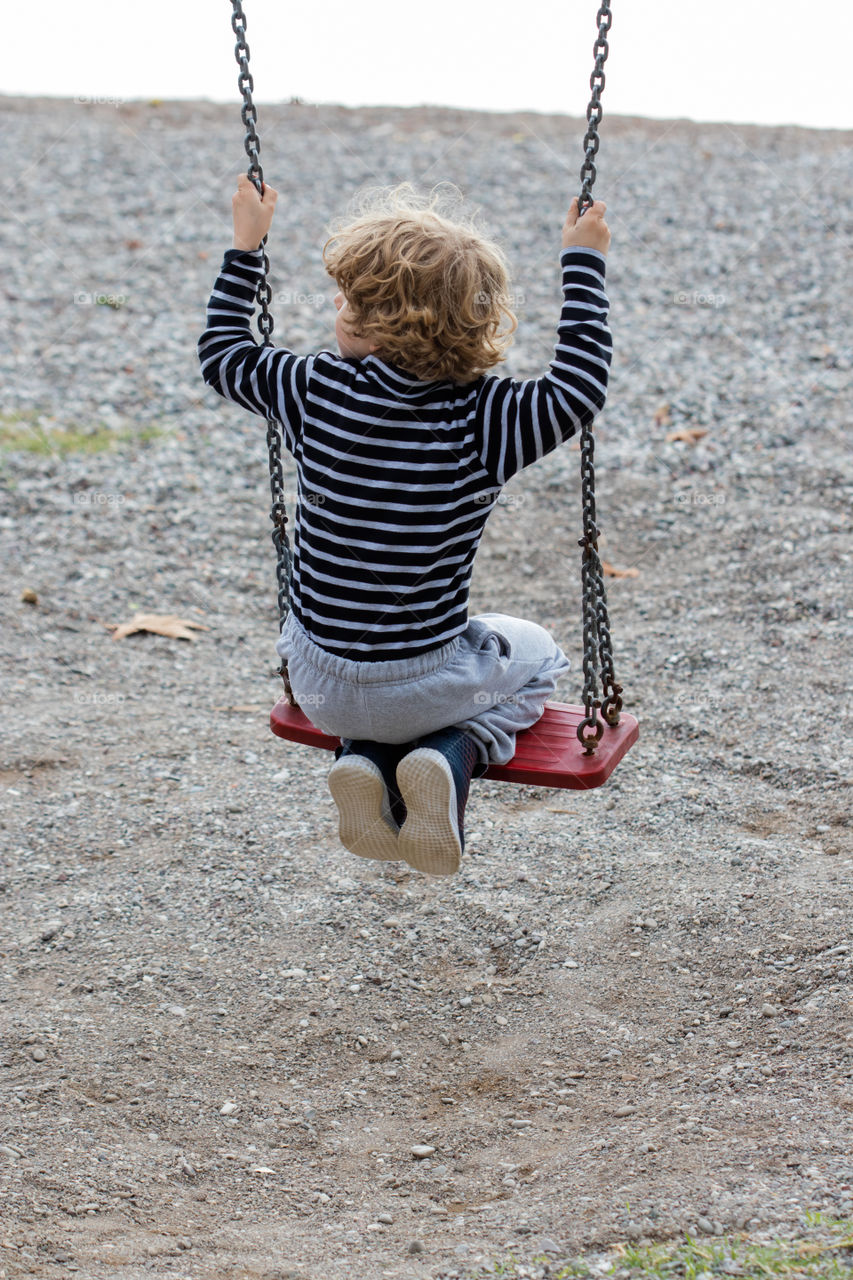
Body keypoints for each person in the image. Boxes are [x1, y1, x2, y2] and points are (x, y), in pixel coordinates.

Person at [198, 175, 612, 877]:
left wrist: (247, 244)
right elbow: (578, 385)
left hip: (319, 683)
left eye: (349, 298)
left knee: (395, 671)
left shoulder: (312, 390)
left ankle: (363, 756)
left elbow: (222, 353)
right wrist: (583, 259)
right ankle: (455, 753)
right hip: (423, 682)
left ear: (368, 320)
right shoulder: (490, 421)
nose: (336, 306)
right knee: (537, 651)